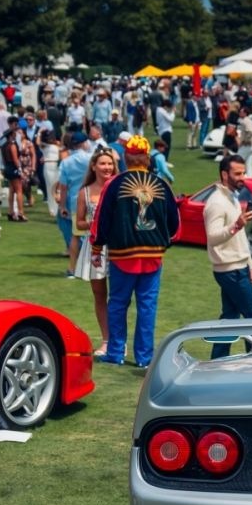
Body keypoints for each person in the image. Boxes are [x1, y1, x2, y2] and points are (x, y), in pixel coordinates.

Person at [92, 135, 179, 367]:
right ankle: (144, 357)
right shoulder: (161, 184)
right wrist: (164, 242)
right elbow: (175, 223)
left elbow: (102, 218)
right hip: (153, 255)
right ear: (148, 158)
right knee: (147, 306)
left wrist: (97, 245)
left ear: (126, 157)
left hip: (122, 254)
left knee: (118, 304)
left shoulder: (115, 184)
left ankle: (116, 352)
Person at [202, 156, 252, 359]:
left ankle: (217, 362)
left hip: (238, 268)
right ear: (224, 174)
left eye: (243, 172)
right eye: (237, 173)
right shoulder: (216, 203)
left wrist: (250, 265)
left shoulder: (231, 198)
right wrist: (236, 225)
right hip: (230, 271)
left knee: (230, 319)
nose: (242, 177)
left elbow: (240, 238)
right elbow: (212, 237)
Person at [71, 147, 118, 343]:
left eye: (110, 163)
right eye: (103, 163)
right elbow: (79, 222)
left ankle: (118, 341)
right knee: (100, 295)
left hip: (117, 246)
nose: (107, 167)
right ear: (93, 166)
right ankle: (106, 340)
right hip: (95, 248)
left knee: (118, 297)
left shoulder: (120, 187)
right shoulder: (85, 191)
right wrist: (96, 223)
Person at [55, 131, 93, 265]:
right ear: (83, 143)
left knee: (76, 235)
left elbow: (63, 187)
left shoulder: (66, 162)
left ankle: (74, 266)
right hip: (91, 199)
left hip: (74, 201)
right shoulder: (92, 159)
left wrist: (62, 206)